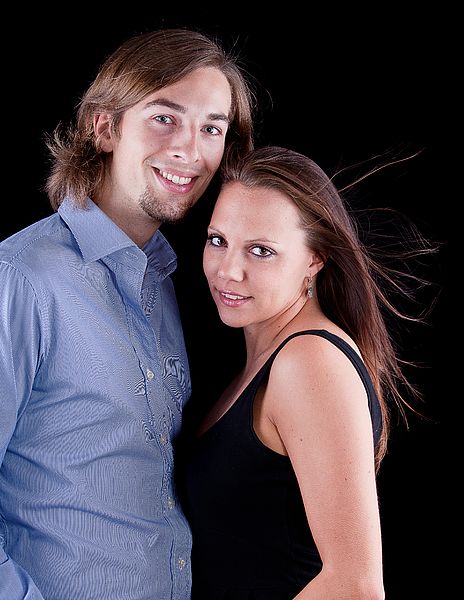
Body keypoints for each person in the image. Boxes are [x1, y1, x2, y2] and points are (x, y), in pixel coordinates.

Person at [0, 28, 254, 599]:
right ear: (105, 127)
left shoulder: (162, 281)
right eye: (165, 117)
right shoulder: (22, 278)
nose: (191, 149)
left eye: (211, 128)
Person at [185, 146, 435, 598]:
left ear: (315, 258)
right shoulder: (268, 356)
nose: (228, 270)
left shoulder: (309, 363)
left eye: (261, 251)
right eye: (218, 240)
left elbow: (355, 586)